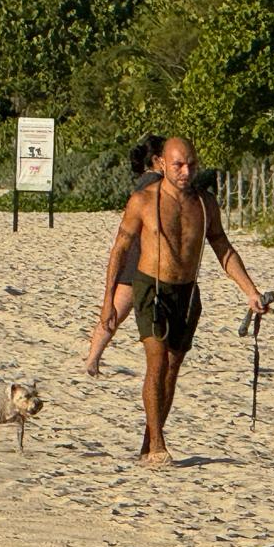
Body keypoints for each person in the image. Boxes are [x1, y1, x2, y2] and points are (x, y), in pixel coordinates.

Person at [100, 136, 267, 468]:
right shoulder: (143, 201)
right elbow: (119, 249)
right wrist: (107, 302)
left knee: (173, 368)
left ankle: (150, 441)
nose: (186, 171)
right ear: (162, 163)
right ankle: (159, 444)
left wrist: (251, 291)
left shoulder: (204, 204)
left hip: (187, 292)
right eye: (178, 165)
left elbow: (224, 249)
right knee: (157, 362)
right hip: (152, 288)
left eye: (191, 164)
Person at [84, 135, 166, 377]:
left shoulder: (144, 182)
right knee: (116, 311)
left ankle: (92, 358)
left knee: (116, 312)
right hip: (140, 258)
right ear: (157, 159)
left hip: (136, 256)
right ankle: (92, 359)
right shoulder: (154, 184)